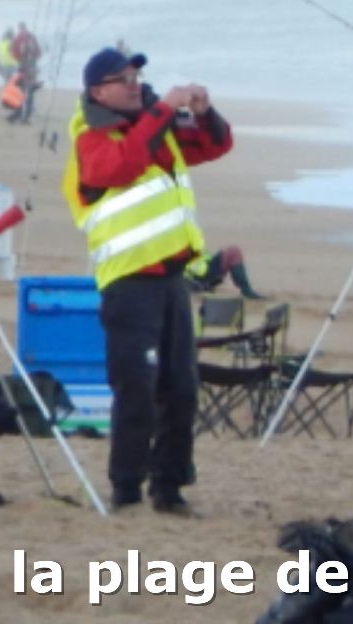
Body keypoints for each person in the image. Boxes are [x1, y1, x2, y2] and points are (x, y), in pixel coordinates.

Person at [63, 48, 233, 514]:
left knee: (181, 386)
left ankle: (169, 485)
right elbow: (118, 166)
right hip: (129, 281)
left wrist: (203, 113)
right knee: (136, 386)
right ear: (99, 91)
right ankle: (126, 488)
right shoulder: (92, 138)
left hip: (172, 278)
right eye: (122, 79)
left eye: (136, 75)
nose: (134, 83)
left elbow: (215, 144)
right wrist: (161, 110)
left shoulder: (154, 127)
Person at [188, 246, 264, 300]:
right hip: (202, 275)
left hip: (205, 269)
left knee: (233, 252)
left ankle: (245, 288)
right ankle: (246, 290)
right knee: (233, 252)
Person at [7, 23, 42, 125]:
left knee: (21, 91)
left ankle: (19, 113)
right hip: (32, 67)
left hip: (22, 67)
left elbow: (14, 53)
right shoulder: (32, 38)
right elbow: (39, 53)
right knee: (30, 91)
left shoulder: (17, 39)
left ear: (20, 29)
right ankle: (26, 115)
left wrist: (18, 58)